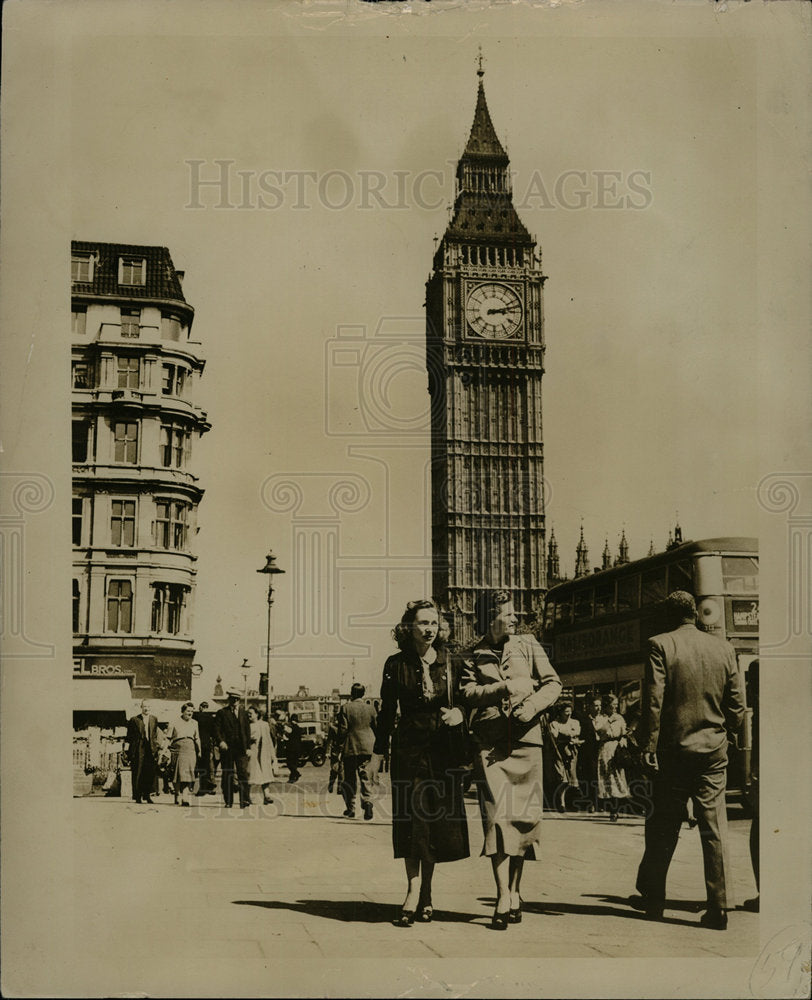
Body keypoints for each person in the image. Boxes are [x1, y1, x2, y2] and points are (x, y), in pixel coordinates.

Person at [629, 590, 746, 929]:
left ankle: (653, 899)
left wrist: (648, 746)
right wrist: (727, 732)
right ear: (696, 613)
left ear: (669, 615)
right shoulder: (724, 648)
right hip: (713, 751)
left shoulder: (660, 644)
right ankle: (719, 906)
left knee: (663, 825)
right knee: (714, 828)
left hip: (673, 751)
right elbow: (736, 705)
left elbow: (653, 701)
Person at [460, 591, 562, 930]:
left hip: (527, 742)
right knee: (496, 820)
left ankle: (516, 891)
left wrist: (531, 706)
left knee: (523, 821)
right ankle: (503, 894)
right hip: (489, 746)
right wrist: (503, 688)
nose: (516, 619)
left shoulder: (528, 644)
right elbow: (467, 693)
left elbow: (553, 684)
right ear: (491, 618)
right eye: (508, 614)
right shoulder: (472, 654)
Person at [368, 599, 470, 927]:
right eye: (422, 623)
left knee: (436, 824)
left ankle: (426, 889)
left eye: (433, 623)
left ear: (440, 629)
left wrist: (461, 714)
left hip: (443, 751)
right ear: (408, 627)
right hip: (409, 751)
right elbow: (385, 713)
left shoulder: (452, 662)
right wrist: (377, 754)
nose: (428, 629)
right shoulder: (395, 664)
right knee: (412, 822)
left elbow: (471, 700)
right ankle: (413, 890)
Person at [336, 683, 377, 820]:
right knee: (366, 776)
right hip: (368, 746)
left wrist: (338, 746)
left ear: (351, 693)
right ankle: (368, 802)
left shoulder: (345, 708)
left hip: (351, 746)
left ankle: (350, 808)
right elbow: (376, 727)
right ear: (363, 694)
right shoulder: (371, 709)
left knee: (349, 779)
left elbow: (343, 729)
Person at [594, 694, 631, 821]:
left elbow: (624, 732)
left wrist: (623, 739)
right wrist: (609, 721)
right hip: (605, 748)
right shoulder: (600, 718)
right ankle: (612, 809)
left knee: (617, 777)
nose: (615, 708)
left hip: (617, 748)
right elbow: (599, 731)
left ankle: (617, 808)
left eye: (616, 705)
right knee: (608, 778)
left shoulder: (620, 717)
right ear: (606, 706)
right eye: (612, 705)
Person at [214, 688, 252, 808]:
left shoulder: (243, 713)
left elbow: (247, 731)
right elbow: (216, 730)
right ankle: (228, 801)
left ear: (239, 700)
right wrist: (221, 741)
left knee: (243, 774)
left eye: (237, 699)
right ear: (229, 699)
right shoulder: (222, 713)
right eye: (232, 699)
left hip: (241, 748)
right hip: (227, 748)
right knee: (227, 774)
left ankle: (244, 800)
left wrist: (248, 747)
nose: (234, 701)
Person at [548, 701, 583, 812]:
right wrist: (569, 734)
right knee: (562, 778)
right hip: (559, 753)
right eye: (566, 712)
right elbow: (555, 735)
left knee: (572, 777)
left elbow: (577, 732)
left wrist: (563, 734)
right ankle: (561, 802)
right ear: (560, 712)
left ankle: (571, 802)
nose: (569, 714)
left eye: (570, 711)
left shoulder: (575, 722)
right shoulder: (554, 723)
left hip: (572, 752)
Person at [126, 700, 162, 804]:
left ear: (151, 707)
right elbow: (129, 737)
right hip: (138, 749)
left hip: (150, 749)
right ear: (141, 707)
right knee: (138, 772)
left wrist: (156, 748)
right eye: (144, 706)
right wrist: (129, 752)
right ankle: (137, 796)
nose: (146, 708)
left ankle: (147, 795)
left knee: (149, 772)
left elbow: (154, 735)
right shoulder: (134, 719)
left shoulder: (154, 719)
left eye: (148, 706)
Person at [167, 702, 201, 806]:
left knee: (187, 774)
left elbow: (197, 738)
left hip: (190, 750)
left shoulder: (195, 723)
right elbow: (168, 738)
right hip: (177, 749)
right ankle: (177, 794)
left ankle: (185, 797)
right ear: (183, 711)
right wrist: (164, 750)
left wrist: (199, 750)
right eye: (188, 711)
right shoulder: (174, 722)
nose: (190, 713)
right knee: (177, 774)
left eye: (192, 711)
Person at [247, 706, 276, 805]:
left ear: (257, 714)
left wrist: (273, 755)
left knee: (265, 774)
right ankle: (249, 796)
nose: (249, 715)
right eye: (248, 713)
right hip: (253, 752)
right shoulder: (247, 726)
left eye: (251, 713)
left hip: (263, 753)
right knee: (252, 775)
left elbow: (269, 740)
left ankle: (266, 796)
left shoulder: (264, 725)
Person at [194, 701, 217, 796]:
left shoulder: (196, 717)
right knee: (209, 766)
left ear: (200, 707)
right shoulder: (211, 718)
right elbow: (214, 733)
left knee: (201, 767)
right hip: (208, 744)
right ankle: (210, 787)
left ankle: (203, 788)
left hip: (198, 744)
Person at [285, 714, 303, 784]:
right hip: (298, 748)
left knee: (289, 763)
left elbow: (289, 735)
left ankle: (296, 774)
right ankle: (292, 778)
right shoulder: (298, 728)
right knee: (294, 763)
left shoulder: (292, 728)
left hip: (291, 748)